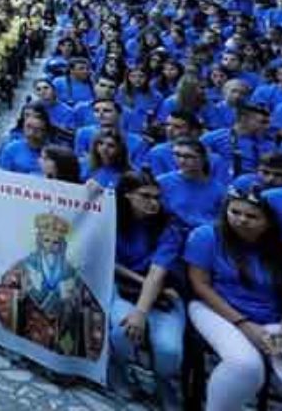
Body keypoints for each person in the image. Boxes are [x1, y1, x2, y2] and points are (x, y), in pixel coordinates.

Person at [184, 189, 282, 411]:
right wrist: (244, 324)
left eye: (252, 216)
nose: (241, 220)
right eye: (234, 212)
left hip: (275, 319)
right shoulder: (207, 236)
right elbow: (200, 285)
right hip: (215, 309)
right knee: (245, 366)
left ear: (270, 222)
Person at [109, 172, 185, 409]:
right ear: (128, 195)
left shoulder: (168, 226)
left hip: (164, 291)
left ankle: (163, 382)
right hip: (124, 288)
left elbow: (157, 273)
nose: (153, 202)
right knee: (122, 333)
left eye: (157, 197)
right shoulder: (113, 217)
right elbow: (110, 261)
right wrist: (138, 281)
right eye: (145, 196)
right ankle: (117, 368)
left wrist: (140, 312)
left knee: (169, 351)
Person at [0, 212, 106, 359]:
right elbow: (5, 291)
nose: (51, 246)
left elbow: (90, 304)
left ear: (62, 245)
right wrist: (20, 295)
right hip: (32, 324)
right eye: (46, 241)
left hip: (63, 328)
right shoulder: (24, 266)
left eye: (56, 242)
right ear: (39, 242)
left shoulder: (71, 271)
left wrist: (74, 299)